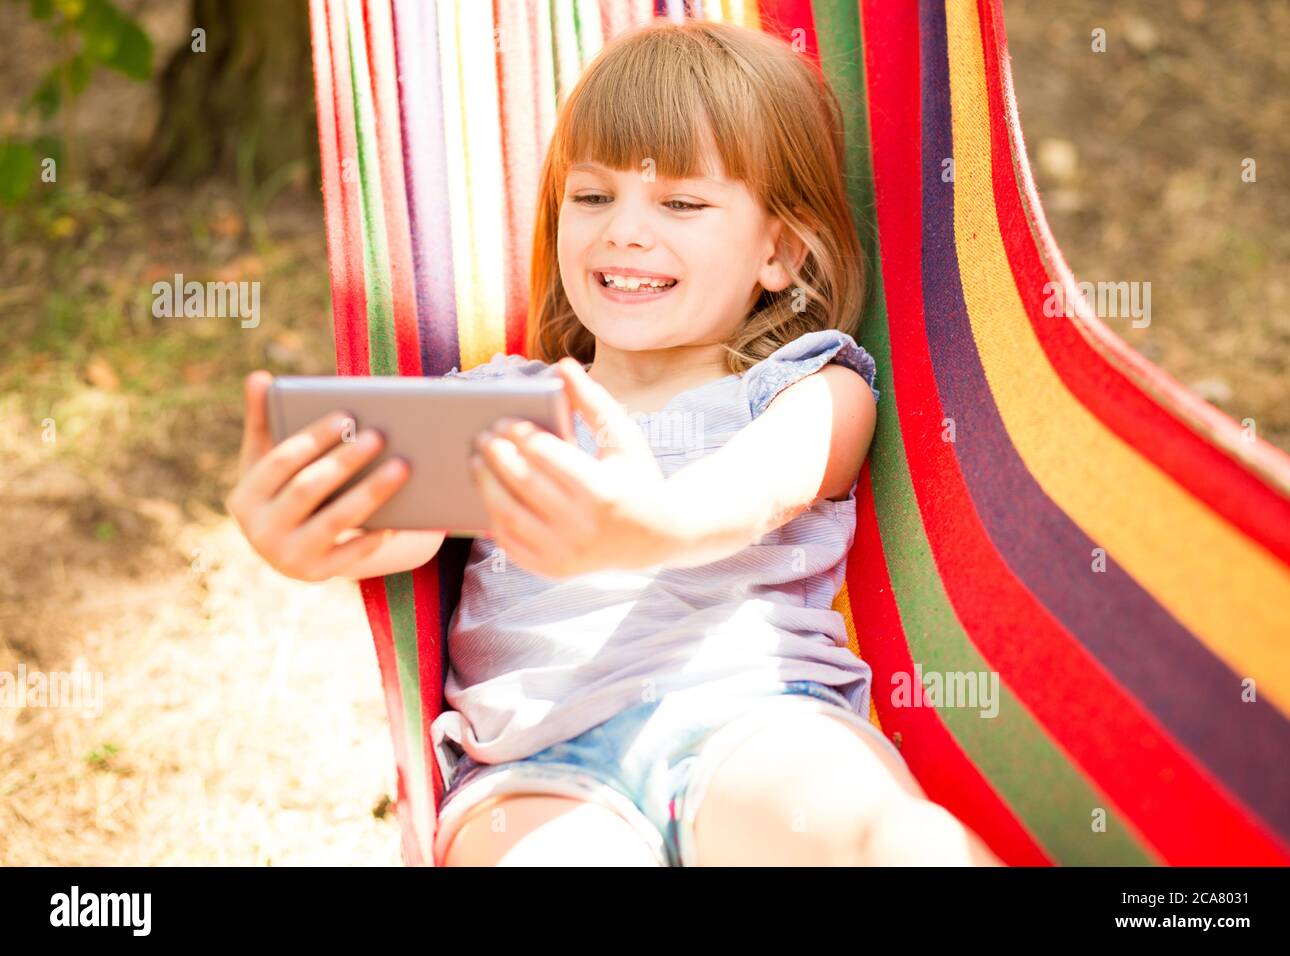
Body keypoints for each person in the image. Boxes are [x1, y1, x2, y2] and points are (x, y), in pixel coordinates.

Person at [226, 17, 1003, 868]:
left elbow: (757, 489)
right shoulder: (504, 404)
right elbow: (391, 525)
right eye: (593, 197)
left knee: (895, 842)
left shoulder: (807, 386)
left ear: (778, 249)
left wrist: (648, 526)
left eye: (680, 203)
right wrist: (306, 537)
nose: (623, 230)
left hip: (755, 721)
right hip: (534, 770)